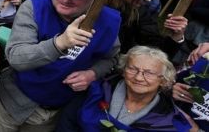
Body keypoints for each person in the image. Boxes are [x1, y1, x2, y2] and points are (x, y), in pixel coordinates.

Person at [0, 0, 121, 132]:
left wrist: (92, 74)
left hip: (56, 107)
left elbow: (111, 58)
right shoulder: (34, 8)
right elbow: (17, 58)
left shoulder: (108, 21)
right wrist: (60, 43)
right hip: (14, 99)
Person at [56, 46, 191, 132]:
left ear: (163, 79)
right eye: (132, 69)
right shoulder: (96, 90)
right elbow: (68, 121)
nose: (138, 77)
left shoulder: (167, 118)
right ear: (123, 70)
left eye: (149, 73)